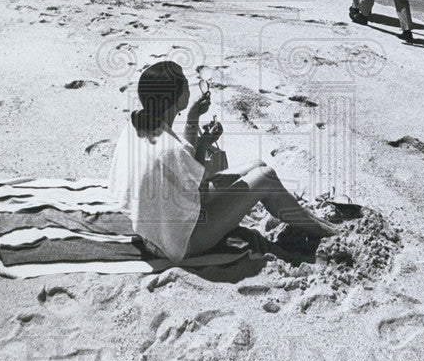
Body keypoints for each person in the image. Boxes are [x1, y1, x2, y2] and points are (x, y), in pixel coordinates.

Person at [108, 62, 335, 263]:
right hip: (177, 242)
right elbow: (199, 188)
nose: (191, 89)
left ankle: (308, 219)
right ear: (176, 99)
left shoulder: (138, 125)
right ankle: (322, 231)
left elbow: (186, 167)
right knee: (264, 178)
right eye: (186, 85)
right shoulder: (170, 150)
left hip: (153, 228)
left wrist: (193, 119)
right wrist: (204, 143)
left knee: (257, 164)